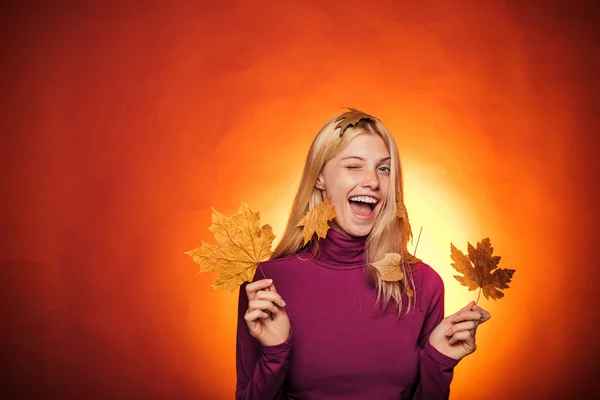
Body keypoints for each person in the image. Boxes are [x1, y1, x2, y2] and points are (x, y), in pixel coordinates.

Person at [235, 109, 491, 399]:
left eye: (384, 169)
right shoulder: (268, 282)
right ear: (320, 177)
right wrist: (274, 354)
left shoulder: (424, 283)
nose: (373, 181)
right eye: (354, 166)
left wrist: (439, 362)